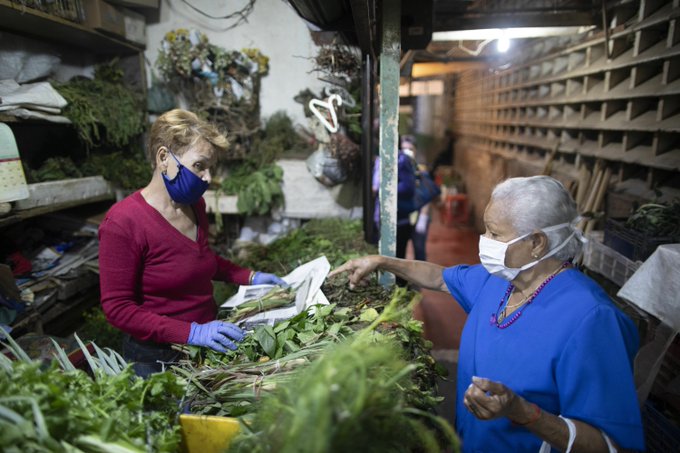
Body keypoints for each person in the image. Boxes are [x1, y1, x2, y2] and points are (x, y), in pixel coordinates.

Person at [330, 175, 644, 452]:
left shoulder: (592, 320)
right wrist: (382, 261)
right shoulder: (500, 281)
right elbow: (440, 277)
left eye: (494, 233)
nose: (484, 243)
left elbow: (610, 445)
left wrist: (524, 413)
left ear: (536, 242)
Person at [98, 109, 286, 377]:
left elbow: (200, 259)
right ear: (164, 158)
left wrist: (251, 276)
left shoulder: (194, 205)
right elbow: (118, 309)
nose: (208, 178)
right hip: (157, 358)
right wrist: (191, 332)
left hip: (205, 343)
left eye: (210, 168)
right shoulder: (123, 223)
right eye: (200, 166)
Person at [371, 140, 416, 262]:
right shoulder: (381, 158)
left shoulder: (401, 160)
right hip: (381, 217)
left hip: (399, 220)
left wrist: (383, 189)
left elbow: (408, 187)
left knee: (398, 261)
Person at [400, 135, 431, 262]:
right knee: (400, 251)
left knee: (419, 249)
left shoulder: (421, 170)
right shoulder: (398, 168)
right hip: (403, 217)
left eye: (410, 149)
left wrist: (423, 217)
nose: (407, 152)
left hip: (418, 215)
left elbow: (426, 195)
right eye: (403, 149)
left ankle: (420, 281)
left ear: (415, 150)